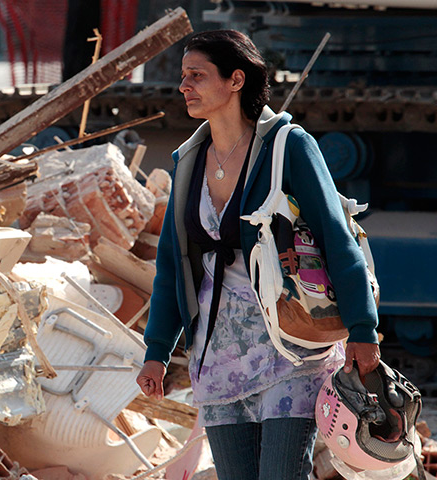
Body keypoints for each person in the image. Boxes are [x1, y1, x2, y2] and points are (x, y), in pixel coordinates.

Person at [135, 30, 381, 480]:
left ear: (235, 80)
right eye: (183, 76)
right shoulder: (189, 160)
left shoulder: (288, 146)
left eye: (196, 75)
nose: (183, 85)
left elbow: (334, 237)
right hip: (217, 359)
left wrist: (364, 329)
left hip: (290, 351)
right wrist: (157, 350)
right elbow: (172, 262)